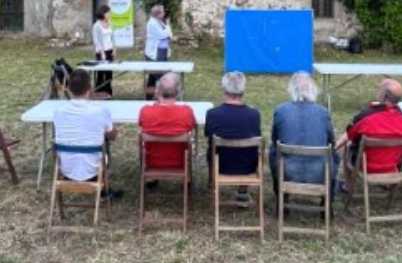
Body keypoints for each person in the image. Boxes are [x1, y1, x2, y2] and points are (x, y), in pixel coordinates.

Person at [269, 72, 338, 203]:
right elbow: (332, 142)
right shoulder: (323, 112)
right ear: (313, 89)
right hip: (320, 173)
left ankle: (281, 198)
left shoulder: (281, 110)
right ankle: (328, 199)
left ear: (291, 89)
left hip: (287, 172)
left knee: (273, 149)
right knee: (333, 153)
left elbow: (275, 139)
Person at [334, 79, 402, 188]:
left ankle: (347, 186)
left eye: (379, 88)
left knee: (348, 146)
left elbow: (350, 134)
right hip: (392, 166)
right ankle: (387, 184)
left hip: (366, 166)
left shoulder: (367, 116)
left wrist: (334, 147)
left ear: (383, 95)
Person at [52, 69, 119, 190]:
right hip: (93, 166)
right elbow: (112, 136)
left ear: (69, 88)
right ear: (90, 88)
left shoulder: (58, 111)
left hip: (66, 166)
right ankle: (104, 191)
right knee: (105, 145)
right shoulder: (100, 111)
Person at [204, 71, 262, 205]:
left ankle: (212, 182)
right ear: (243, 90)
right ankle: (242, 190)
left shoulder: (213, 114)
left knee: (212, 148)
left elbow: (208, 135)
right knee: (249, 148)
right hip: (247, 167)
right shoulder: (254, 115)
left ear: (224, 89)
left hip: (221, 166)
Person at [138, 72, 196, 174]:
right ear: (178, 91)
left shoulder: (145, 111)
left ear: (157, 89)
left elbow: (141, 125)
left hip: (151, 162)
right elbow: (192, 126)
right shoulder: (187, 111)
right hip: (180, 161)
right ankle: (187, 181)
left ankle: (151, 179)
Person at [143, 4, 173, 99]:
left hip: (162, 51)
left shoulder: (160, 22)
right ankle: (154, 96)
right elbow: (163, 35)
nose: (164, 13)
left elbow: (170, 34)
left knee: (159, 75)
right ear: (158, 14)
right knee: (157, 75)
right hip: (155, 53)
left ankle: (155, 96)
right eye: (163, 11)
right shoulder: (152, 23)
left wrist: (168, 32)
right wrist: (168, 27)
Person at [91, 4, 116, 97]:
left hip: (109, 50)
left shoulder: (109, 23)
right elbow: (96, 40)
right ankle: (99, 93)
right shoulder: (96, 26)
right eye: (108, 13)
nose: (109, 15)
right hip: (101, 52)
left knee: (109, 73)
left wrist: (114, 48)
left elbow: (112, 37)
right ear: (103, 13)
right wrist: (101, 52)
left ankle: (108, 92)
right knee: (101, 73)